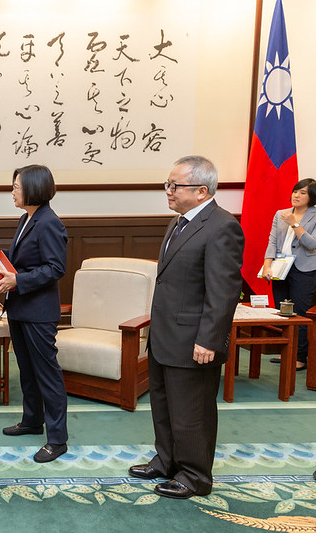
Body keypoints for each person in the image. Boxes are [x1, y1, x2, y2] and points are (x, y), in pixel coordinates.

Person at [128, 155, 244, 499]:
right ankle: (166, 461)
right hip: (165, 336)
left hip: (195, 340)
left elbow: (223, 292)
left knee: (192, 413)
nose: (168, 190)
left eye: (174, 185)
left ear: (201, 191)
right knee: (164, 406)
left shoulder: (222, 226)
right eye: (168, 184)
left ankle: (195, 476)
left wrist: (209, 339)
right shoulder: (178, 222)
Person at [0, 165, 69, 463]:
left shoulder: (49, 222)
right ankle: (32, 421)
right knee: (28, 371)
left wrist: (18, 280)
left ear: (33, 189)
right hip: (20, 308)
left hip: (38, 312)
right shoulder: (28, 218)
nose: (12, 192)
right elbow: (26, 260)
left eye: (16, 187)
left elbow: (55, 268)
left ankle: (57, 439)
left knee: (47, 374)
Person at [261, 178, 316, 371]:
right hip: (280, 268)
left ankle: (299, 357)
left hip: (305, 269)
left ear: (312, 197)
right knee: (282, 312)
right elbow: (272, 242)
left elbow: (312, 243)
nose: (296, 195)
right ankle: (286, 352)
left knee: (299, 313)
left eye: (302, 193)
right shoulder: (280, 213)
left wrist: (295, 224)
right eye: (295, 191)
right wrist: (267, 265)